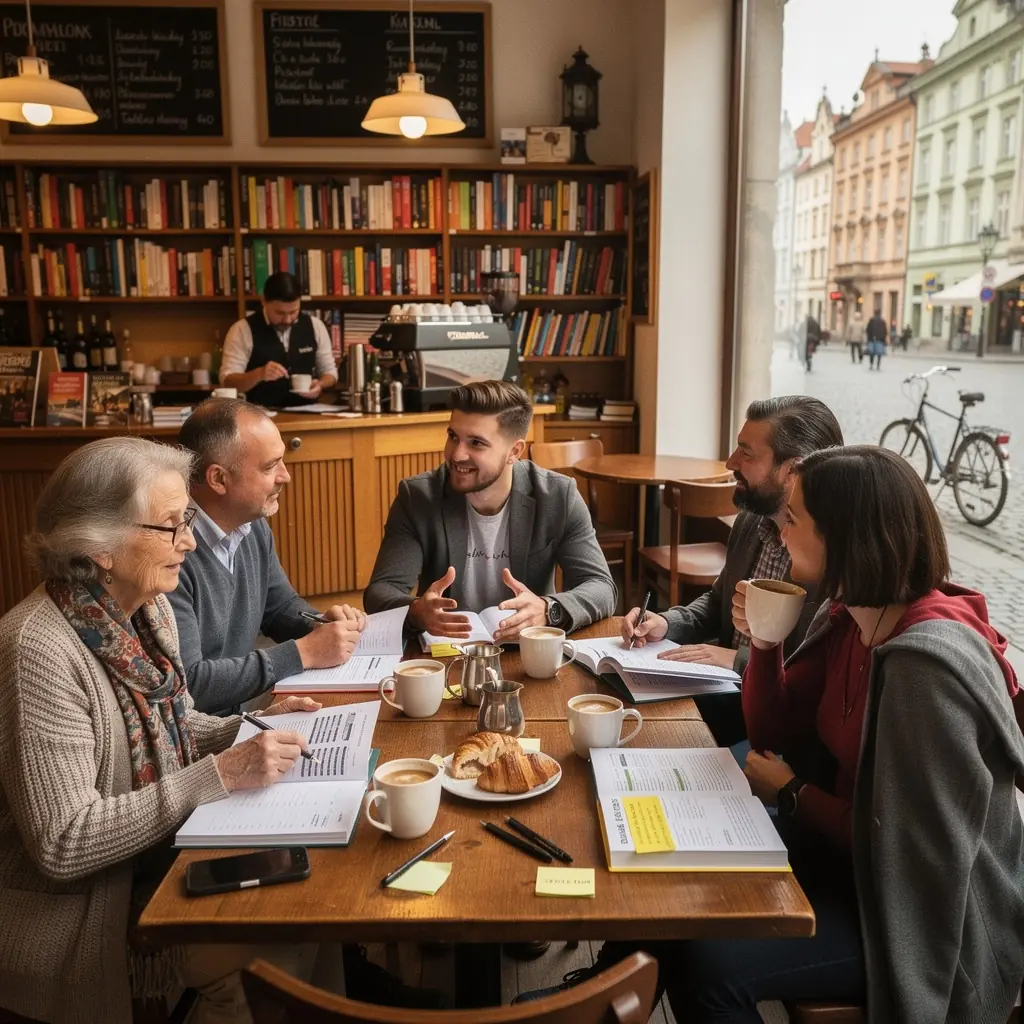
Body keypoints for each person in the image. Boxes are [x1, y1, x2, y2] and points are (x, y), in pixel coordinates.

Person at [523, 446, 1024, 1021]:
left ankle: (598, 1001)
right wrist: (764, 640)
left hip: (920, 920)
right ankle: (601, 996)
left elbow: (907, 853)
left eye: (794, 519)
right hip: (846, 864)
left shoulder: (923, 668)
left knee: (710, 968)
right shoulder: (851, 619)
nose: (780, 533)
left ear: (845, 538)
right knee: (671, 874)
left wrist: (793, 793)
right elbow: (771, 727)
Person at [0, 436, 323, 1024]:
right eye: (171, 527)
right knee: (283, 944)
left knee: (308, 902)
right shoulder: (37, 649)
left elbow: (171, 727)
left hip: (160, 870)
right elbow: (64, 841)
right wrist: (222, 773)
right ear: (100, 546)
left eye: (189, 521)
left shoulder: (144, 610)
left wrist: (244, 729)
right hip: (82, 926)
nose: (191, 542)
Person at [622, 396, 843, 747]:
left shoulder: (831, 559)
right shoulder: (751, 521)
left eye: (747, 453)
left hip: (780, 722)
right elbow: (717, 601)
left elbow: (820, 675)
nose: (730, 462)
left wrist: (738, 659)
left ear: (792, 471)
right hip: (725, 689)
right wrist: (666, 623)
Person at [365, 380, 616, 641]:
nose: (456, 454)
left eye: (476, 443)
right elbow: (381, 591)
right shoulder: (418, 497)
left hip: (528, 652)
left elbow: (601, 588)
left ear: (514, 451)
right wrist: (417, 611)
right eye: (453, 437)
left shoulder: (557, 496)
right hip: (448, 655)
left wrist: (547, 609)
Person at [171, 398, 365, 715]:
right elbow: (190, 686)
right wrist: (303, 653)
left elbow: (279, 609)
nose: (285, 476)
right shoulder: (169, 553)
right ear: (218, 479)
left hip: (243, 716)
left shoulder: (254, 526)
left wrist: (320, 625)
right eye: (269, 466)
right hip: (200, 738)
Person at [220, 271, 338, 407]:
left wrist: (321, 384)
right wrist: (259, 374)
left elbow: (330, 373)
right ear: (264, 300)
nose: (287, 320)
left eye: (294, 312)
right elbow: (228, 382)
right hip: (258, 417)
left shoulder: (315, 326)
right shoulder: (242, 330)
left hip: (307, 415)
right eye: (279, 313)